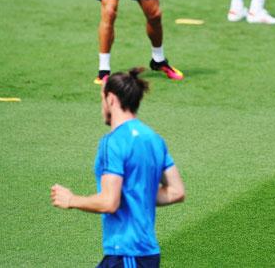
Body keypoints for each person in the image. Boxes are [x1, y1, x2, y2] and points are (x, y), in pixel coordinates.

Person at [51, 68, 185, 267]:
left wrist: (71, 200)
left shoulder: (112, 143)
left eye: (102, 99)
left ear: (111, 99)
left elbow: (109, 202)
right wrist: (136, 193)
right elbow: (176, 191)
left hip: (127, 253)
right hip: (146, 254)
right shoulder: (154, 139)